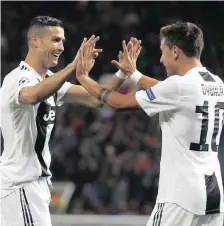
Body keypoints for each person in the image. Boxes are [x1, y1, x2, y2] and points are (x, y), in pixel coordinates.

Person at [75, 22, 224, 226]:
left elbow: (118, 103)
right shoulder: (216, 83)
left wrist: (83, 77)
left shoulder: (179, 86)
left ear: (175, 51)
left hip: (180, 195)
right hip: (213, 194)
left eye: (162, 52)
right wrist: (134, 74)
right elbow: (168, 91)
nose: (161, 60)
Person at [0, 15, 141, 226]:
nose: (61, 47)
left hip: (33, 185)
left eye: (63, 41)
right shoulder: (18, 78)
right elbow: (31, 96)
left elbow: (97, 100)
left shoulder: (47, 80)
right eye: (56, 40)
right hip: (20, 184)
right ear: (35, 41)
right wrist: (73, 67)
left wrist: (123, 72)